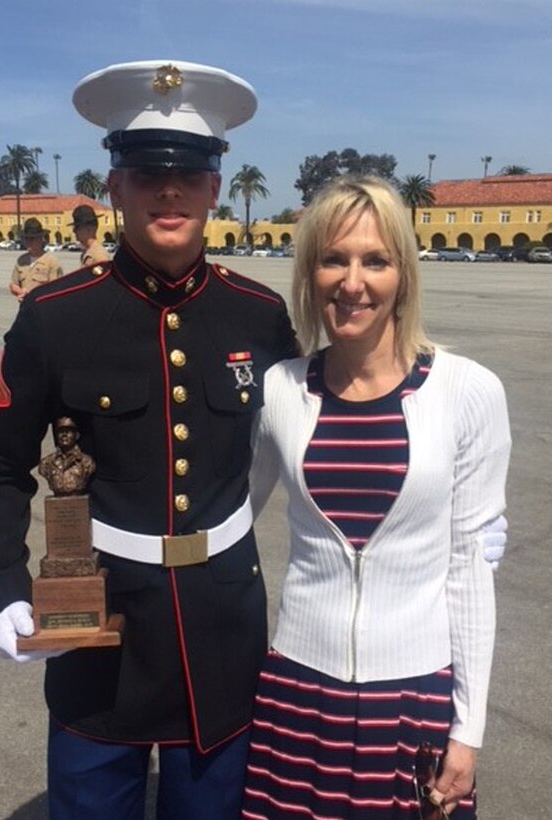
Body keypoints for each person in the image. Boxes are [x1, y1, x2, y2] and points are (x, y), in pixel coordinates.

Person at [0, 60, 297, 820]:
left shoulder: (258, 316)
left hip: (222, 627)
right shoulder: (58, 316)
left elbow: (320, 425)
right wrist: (4, 589)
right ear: (114, 187)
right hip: (95, 630)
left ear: (216, 186)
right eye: (147, 173)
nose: (168, 191)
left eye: (188, 174)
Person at [242, 176, 511, 820]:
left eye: (376, 260)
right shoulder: (280, 389)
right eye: (334, 259)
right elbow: (229, 519)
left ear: (405, 275)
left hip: (414, 696)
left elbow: (470, 572)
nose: (353, 282)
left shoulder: (467, 391)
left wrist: (467, 730)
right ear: (310, 274)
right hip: (299, 689)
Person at [9, 217, 63, 301]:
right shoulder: (21, 260)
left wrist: (32, 295)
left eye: (32, 239)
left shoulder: (51, 262)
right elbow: (13, 285)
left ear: (40, 239)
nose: (28, 242)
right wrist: (21, 292)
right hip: (25, 308)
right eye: (26, 238)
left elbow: (56, 290)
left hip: (43, 309)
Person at [38, 417, 95, 496]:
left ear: (77, 435)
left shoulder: (87, 461)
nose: (64, 435)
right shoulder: (46, 463)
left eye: (68, 431)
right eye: (61, 432)